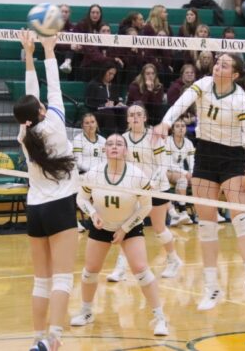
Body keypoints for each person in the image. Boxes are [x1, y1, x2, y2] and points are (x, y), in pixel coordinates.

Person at [153, 52, 245, 310]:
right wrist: (166, 123)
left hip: (233, 157)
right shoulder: (203, 84)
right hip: (205, 155)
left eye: (224, 64)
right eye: (218, 62)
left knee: (241, 216)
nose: (218, 66)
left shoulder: (240, 100)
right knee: (206, 223)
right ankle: (211, 287)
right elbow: (181, 104)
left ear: (235, 74)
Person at [13, 31, 80, 351]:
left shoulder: (23, 136)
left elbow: (31, 97)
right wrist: (48, 51)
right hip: (61, 205)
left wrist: (29, 55)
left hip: (35, 208)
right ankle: (53, 338)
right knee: (63, 278)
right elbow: (53, 89)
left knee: (42, 280)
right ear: (39, 112)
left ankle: (37, 337)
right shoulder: (53, 123)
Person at [72, 133, 170, 336]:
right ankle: (86, 311)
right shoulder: (94, 173)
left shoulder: (137, 175)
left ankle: (160, 318)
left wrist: (125, 229)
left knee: (141, 269)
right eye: (110, 144)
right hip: (101, 225)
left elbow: (146, 206)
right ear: (104, 150)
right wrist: (92, 213)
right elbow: (81, 198)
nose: (114, 147)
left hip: (130, 225)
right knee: (90, 270)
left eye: (119, 144)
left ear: (125, 150)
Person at [108, 104, 183, 282]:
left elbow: (163, 165)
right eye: (131, 115)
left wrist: (150, 185)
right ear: (127, 119)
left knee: (159, 229)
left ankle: (173, 260)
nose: (135, 117)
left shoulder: (154, 137)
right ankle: (121, 268)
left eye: (138, 114)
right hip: (134, 190)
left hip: (156, 188)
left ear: (145, 118)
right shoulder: (123, 139)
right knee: (127, 227)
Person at [165, 119, 196, 226]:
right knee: (182, 179)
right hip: (166, 172)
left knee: (200, 181)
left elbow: (192, 162)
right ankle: (183, 211)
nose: (181, 128)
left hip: (182, 173)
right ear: (173, 130)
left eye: (183, 126)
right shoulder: (168, 141)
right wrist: (185, 172)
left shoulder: (188, 143)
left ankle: (201, 213)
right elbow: (168, 164)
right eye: (177, 126)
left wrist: (193, 174)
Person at [85, 63, 125, 135]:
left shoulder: (113, 86)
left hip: (111, 110)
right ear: (104, 71)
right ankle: (111, 136)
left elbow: (115, 101)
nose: (111, 76)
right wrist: (103, 105)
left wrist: (118, 104)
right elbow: (88, 103)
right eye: (110, 73)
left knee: (124, 111)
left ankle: (123, 135)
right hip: (96, 112)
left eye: (113, 74)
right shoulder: (93, 84)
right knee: (108, 113)